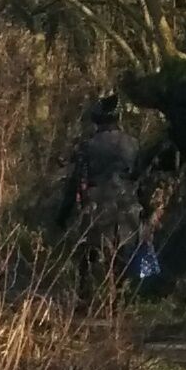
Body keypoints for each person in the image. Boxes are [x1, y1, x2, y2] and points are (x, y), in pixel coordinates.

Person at [59, 94, 150, 296]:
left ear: (96, 120)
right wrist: (146, 210)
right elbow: (142, 181)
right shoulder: (134, 144)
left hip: (97, 212)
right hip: (129, 212)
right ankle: (133, 295)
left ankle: (84, 296)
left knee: (85, 256)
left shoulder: (88, 146)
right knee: (133, 257)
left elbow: (75, 183)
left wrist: (62, 215)